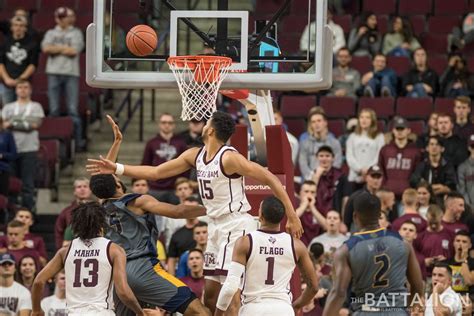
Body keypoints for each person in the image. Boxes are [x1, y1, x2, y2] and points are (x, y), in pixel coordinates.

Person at [87, 110, 303, 314]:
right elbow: (156, 172)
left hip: (235, 224)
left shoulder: (229, 158)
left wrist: (292, 215)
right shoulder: (194, 155)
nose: (202, 124)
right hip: (215, 225)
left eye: (206, 122)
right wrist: (117, 168)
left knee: (232, 294)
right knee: (209, 296)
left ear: (210, 130)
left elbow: (270, 178)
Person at [31, 202, 149, 316]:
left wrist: (36, 310)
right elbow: (123, 291)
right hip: (101, 312)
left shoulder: (65, 250)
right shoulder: (114, 250)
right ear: (102, 223)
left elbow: (38, 282)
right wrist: (140, 312)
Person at [215, 196, 319, 316]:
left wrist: (218, 313)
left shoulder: (245, 242)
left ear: (261, 215)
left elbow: (230, 287)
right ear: (282, 217)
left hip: (253, 309)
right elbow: (314, 287)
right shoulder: (296, 245)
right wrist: (297, 305)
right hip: (283, 309)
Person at [322, 192, 424, 315]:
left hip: (366, 311)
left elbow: (339, 293)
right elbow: (418, 285)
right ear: (379, 215)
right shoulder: (403, 243)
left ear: (355, 216)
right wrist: (407, 309)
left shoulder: (345, 250)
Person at [41, 6, 85, 149]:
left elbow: (74, 51)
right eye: (59, 17)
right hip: (53, 72)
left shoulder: (76, 33)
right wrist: (63, 49)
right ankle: (56, 144)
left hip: (71, 72)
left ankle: (77, 143)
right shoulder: (50, 32)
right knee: (54, 110)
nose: (62, 20)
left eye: (64, 17)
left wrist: (56, 48)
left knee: (72, 110)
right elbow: (45, 48)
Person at [1, 79, 44, 210]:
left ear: (30, 90)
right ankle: (12, 212)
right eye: (20, 87)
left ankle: (28, 213)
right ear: (16, 90)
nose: (23, 90)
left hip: (29, 149)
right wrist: (25, 122)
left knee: (27, 184)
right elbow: (4, 125)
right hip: (10, 151)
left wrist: (13, 121)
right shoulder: (8, 107)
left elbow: (35, 125)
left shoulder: (36, 106)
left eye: (25, 87)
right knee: (11, 184)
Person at [141, 113, 187, 198]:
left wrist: (182, 181)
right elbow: (145, 163)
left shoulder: (181, 143)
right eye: (164, 122)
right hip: (155, 187)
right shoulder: (152, 143)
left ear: (174, 125)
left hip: (175, 187)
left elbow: (186, 164)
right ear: (159, 124)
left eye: (170, 123)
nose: (167, 125)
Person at [379, 116, 421, 199]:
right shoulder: (385, 149)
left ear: (408, 131)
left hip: (407, 194)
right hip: (388, 193)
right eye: (397, 129)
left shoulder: (415, 151)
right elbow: (381, 170)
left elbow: (417, 173)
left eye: (402, 129)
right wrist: (383, 187)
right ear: (393, 130)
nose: (399, 132)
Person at [0, 15, 38, 105]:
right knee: (7, 110)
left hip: (23, 84)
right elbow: (1, 63)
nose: (18, 28)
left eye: (21, 25)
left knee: (22, 110)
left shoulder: (32, 44)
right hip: (6, 83)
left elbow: (32, 65)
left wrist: (20, 80)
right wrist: (6, 79)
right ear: (12, 27)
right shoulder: (5, 43)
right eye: (16, 25)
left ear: (25, 28)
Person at [298, 111, 343, 180]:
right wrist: (313, 177)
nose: (316, 124)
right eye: (313, 122)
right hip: (310, 180)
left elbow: (337, 163)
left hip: (330, 180)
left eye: (319, 121)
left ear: (325, 123)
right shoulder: (304, 143)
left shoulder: (335, 143)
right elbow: (303, 164)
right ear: (311, 125)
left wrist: (328, 176)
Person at [346, 108, 385, 186]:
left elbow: (379, 155)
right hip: (354, 177)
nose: (364, 120)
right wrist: (360, 169)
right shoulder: (352, 137)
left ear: (372, 121)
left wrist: (368, 169)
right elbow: (349, 156)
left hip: (372, 176)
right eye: (362, 117)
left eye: (367, 117)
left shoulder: (379, 137)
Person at [415, 205, 454, 279]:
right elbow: (414, 254)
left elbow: (456, 255)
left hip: (446, 276)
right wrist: (424, 261)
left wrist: (446, 260)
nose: (433, 225)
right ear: (426, 217)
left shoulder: (450, 235)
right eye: (431, 222)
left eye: (436, 222)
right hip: (426, 276)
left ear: (441, 216)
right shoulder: (420, 236)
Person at [311, 145, 351, 215]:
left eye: (327, 156)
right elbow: (309, 195)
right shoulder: (312, 175)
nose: (324, 159)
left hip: (335, 217)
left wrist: (343, 219)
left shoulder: (341, 176)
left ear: (333, 158)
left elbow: (345, 199)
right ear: (316, 157)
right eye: (321, 156)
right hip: (317, 216)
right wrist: (317, 176)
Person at [54, 177, 92, 249]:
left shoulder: (98, 210)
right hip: (72, 248)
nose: (82, 189)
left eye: (85, 186)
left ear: (90, 190)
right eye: (79, 187)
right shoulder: (66, 212)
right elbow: (59, 231)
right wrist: (60, 249)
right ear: (74, 191)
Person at [343, 165, 383, 231]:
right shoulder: (356, 196)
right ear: (366, 177)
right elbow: (347, 219)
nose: (376, 180)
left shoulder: (386, 195)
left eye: (378, 177)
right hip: (359, 231)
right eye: (373, 176)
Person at [296, 180, 328, 246]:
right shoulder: (294, 206)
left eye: (312, 192)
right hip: (298, 246)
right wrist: (304, 205)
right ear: (300, 193)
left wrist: (312, 208)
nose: (309, 194)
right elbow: (291, 219)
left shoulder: (320, 208)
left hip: (316, 248)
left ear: (316, 194)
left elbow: (326, 226)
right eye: (306, 191)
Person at [445, 230, 474, 299]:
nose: (460, 244)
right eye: (458, 241)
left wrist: (464, 259)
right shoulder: (446, 263)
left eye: (464, 242)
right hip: (450, 298)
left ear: (470, 245)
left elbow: (469, 282)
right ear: (453, 243)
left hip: (467, 299)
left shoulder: (472, 263)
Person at [458, 134, 474, 206]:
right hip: (470, 208)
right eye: (473, 147)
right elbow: (462, 191)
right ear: (469, 148)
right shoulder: (462, 167)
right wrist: (469, 207)